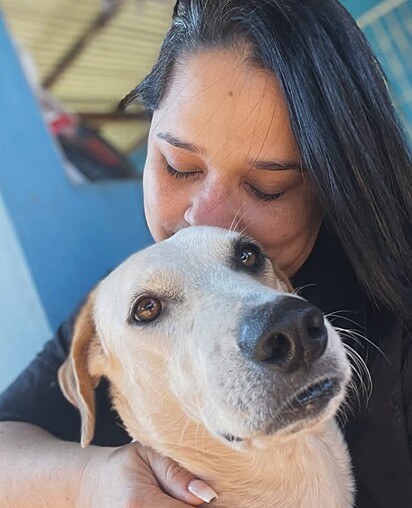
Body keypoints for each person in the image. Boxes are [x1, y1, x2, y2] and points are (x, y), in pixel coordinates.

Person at [1, 0, 412, 506]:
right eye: (179, 166)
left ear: (335, 183)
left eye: (268, 186)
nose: (206, 224)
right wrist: (88, 477)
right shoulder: (120, 306)